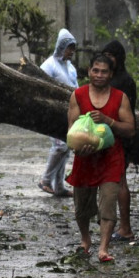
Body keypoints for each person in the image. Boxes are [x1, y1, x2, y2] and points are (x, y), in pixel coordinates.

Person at [66, 54, 136, 263]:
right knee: (82, 207)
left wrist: (108, 121)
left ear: (111, 74)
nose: (99, 75)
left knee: (108, 203)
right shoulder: (77, 95)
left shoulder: (119, 97)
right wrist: (79, 148)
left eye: (104, 71)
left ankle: (103, 248)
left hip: (111, 158)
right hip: (85, 158)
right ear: (89, 71)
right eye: (95, 70)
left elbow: (131, 129)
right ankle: (86, 240)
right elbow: (71, 130)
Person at [101, 40, 138, 243]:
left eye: (111, 55)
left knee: (120, 181)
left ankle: (125, 228)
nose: (107, 59)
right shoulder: (113, 78)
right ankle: (115, 225)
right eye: (104, 54)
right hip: (111, 134)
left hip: (120, 135)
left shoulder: (122, 81)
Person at [38, 29, 78, 197]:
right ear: (61, 47)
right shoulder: (49, 65)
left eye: (73, 49)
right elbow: (39, 85)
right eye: (69, 48)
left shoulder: (70, 67)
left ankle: (59, 186)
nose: (71, 52)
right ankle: (45, 180)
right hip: (52, 112)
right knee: (60, 146)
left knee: (66, 147)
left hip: (68, 112)